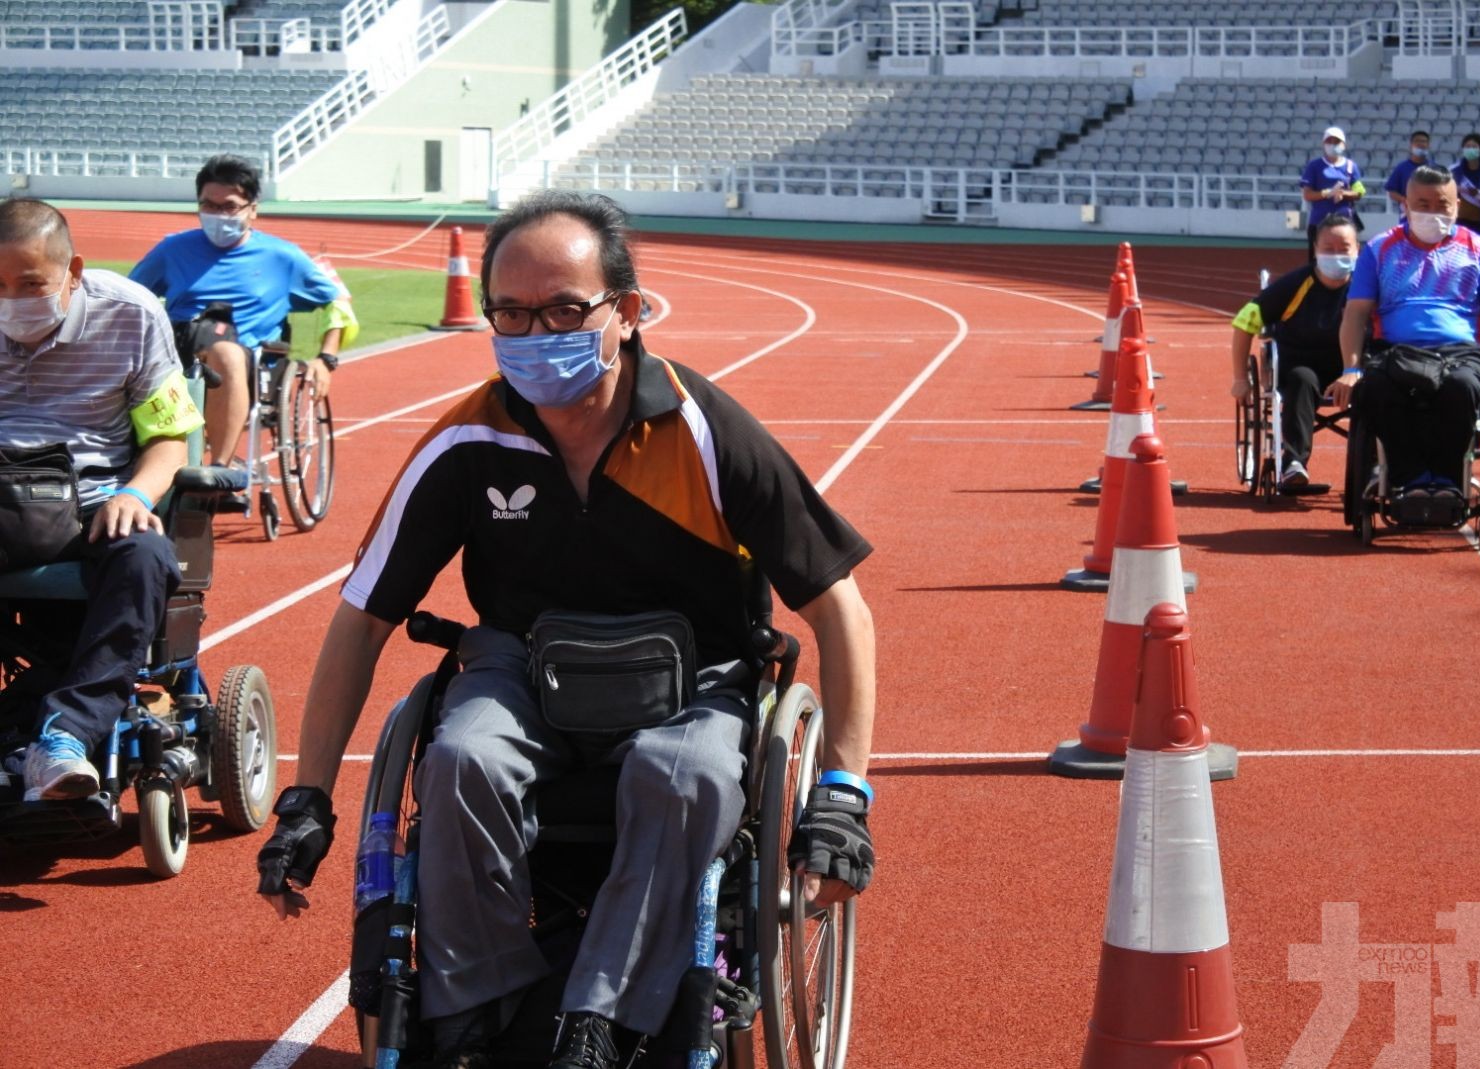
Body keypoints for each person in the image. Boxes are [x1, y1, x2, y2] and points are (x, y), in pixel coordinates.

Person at [254, 191, 878, 1068]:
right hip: (522, 668)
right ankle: (481, 1013)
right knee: (462, 755)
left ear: (626, 312)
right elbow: (362, 619)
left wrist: (843, 792)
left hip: (695, 678)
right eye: (511, 313)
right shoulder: (467, 439)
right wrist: (306, 798)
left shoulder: (703, 430)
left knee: (684, 774)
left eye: (562, 310)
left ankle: (604, 1024)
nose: (535, 333)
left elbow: (839, 605)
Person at [0, 199, 202, 800]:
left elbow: (170, 438)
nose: (12, 298)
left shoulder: (132, 314)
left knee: (144, 553)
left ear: (73, 270)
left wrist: (135, 493)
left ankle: (63, 735)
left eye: (30, 283)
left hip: (94, 497)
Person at [130, 154, 356, 467]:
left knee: (225, 350)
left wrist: (325, 359)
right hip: (178, 348)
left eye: (230, 206)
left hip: (248, 359)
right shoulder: (172, 250)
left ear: (253, 209)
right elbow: (131, 296)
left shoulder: (283, 257)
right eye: (209, 205)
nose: (218, 215)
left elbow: (338, 301)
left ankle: (218, 469)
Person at [1334, 165, 1480, 502]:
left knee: (1462, 388)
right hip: (1395, 350)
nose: (1432, 213)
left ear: (1457, 207)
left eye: (1442, 205)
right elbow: (1355, 314)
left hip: (1461, 353)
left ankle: (1447, 480)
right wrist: (1351, 369)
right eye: (1422, 204)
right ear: (1405, 205)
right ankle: (1412, 479)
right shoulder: (1378, 250)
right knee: (1374, 389)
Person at [1230, 215, 1361, 490]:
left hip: (1352, 369)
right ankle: (1293, 464)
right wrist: (1240, 379)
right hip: (1302, 368)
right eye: (1328, 248)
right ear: (1315, 249)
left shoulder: (1366, 287)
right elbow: (1245, 321)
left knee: (1382, 383)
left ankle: (1375, 469)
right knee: (1301, 379)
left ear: (1357, 250)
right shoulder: (1296, 284)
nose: (1336, 255)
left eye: (1344, 248)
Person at [1299, 126, 1365, 261]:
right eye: (1329, 141)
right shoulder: (1314, 166)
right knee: (1317, 260)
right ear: (1324, 144)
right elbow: (1307, 194)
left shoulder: (1350, 167)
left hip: (1345, 221)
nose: (1333, 145)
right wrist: (1327, 193)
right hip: (1319, 221)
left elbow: (1359, 191)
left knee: (1347, 258)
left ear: (1344, 145)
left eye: (1337, 142)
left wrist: (1343, 193)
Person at [1450, 132, 1480, 239]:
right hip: (1459, 221)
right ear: (1463, 149)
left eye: (1474, 147)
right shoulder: (1452, 171)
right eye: (1467, 147)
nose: (1471, 149)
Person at [1385, 129, 1432, 215]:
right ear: (1411, 145)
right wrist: (1404, 200)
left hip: (1429, 213)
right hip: (1407, 214)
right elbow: (1392, 191)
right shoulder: (1402, 168)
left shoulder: (1434, 168)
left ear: (1428, 145)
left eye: (1424, 142)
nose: (1421, 144)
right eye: (1417, 141)